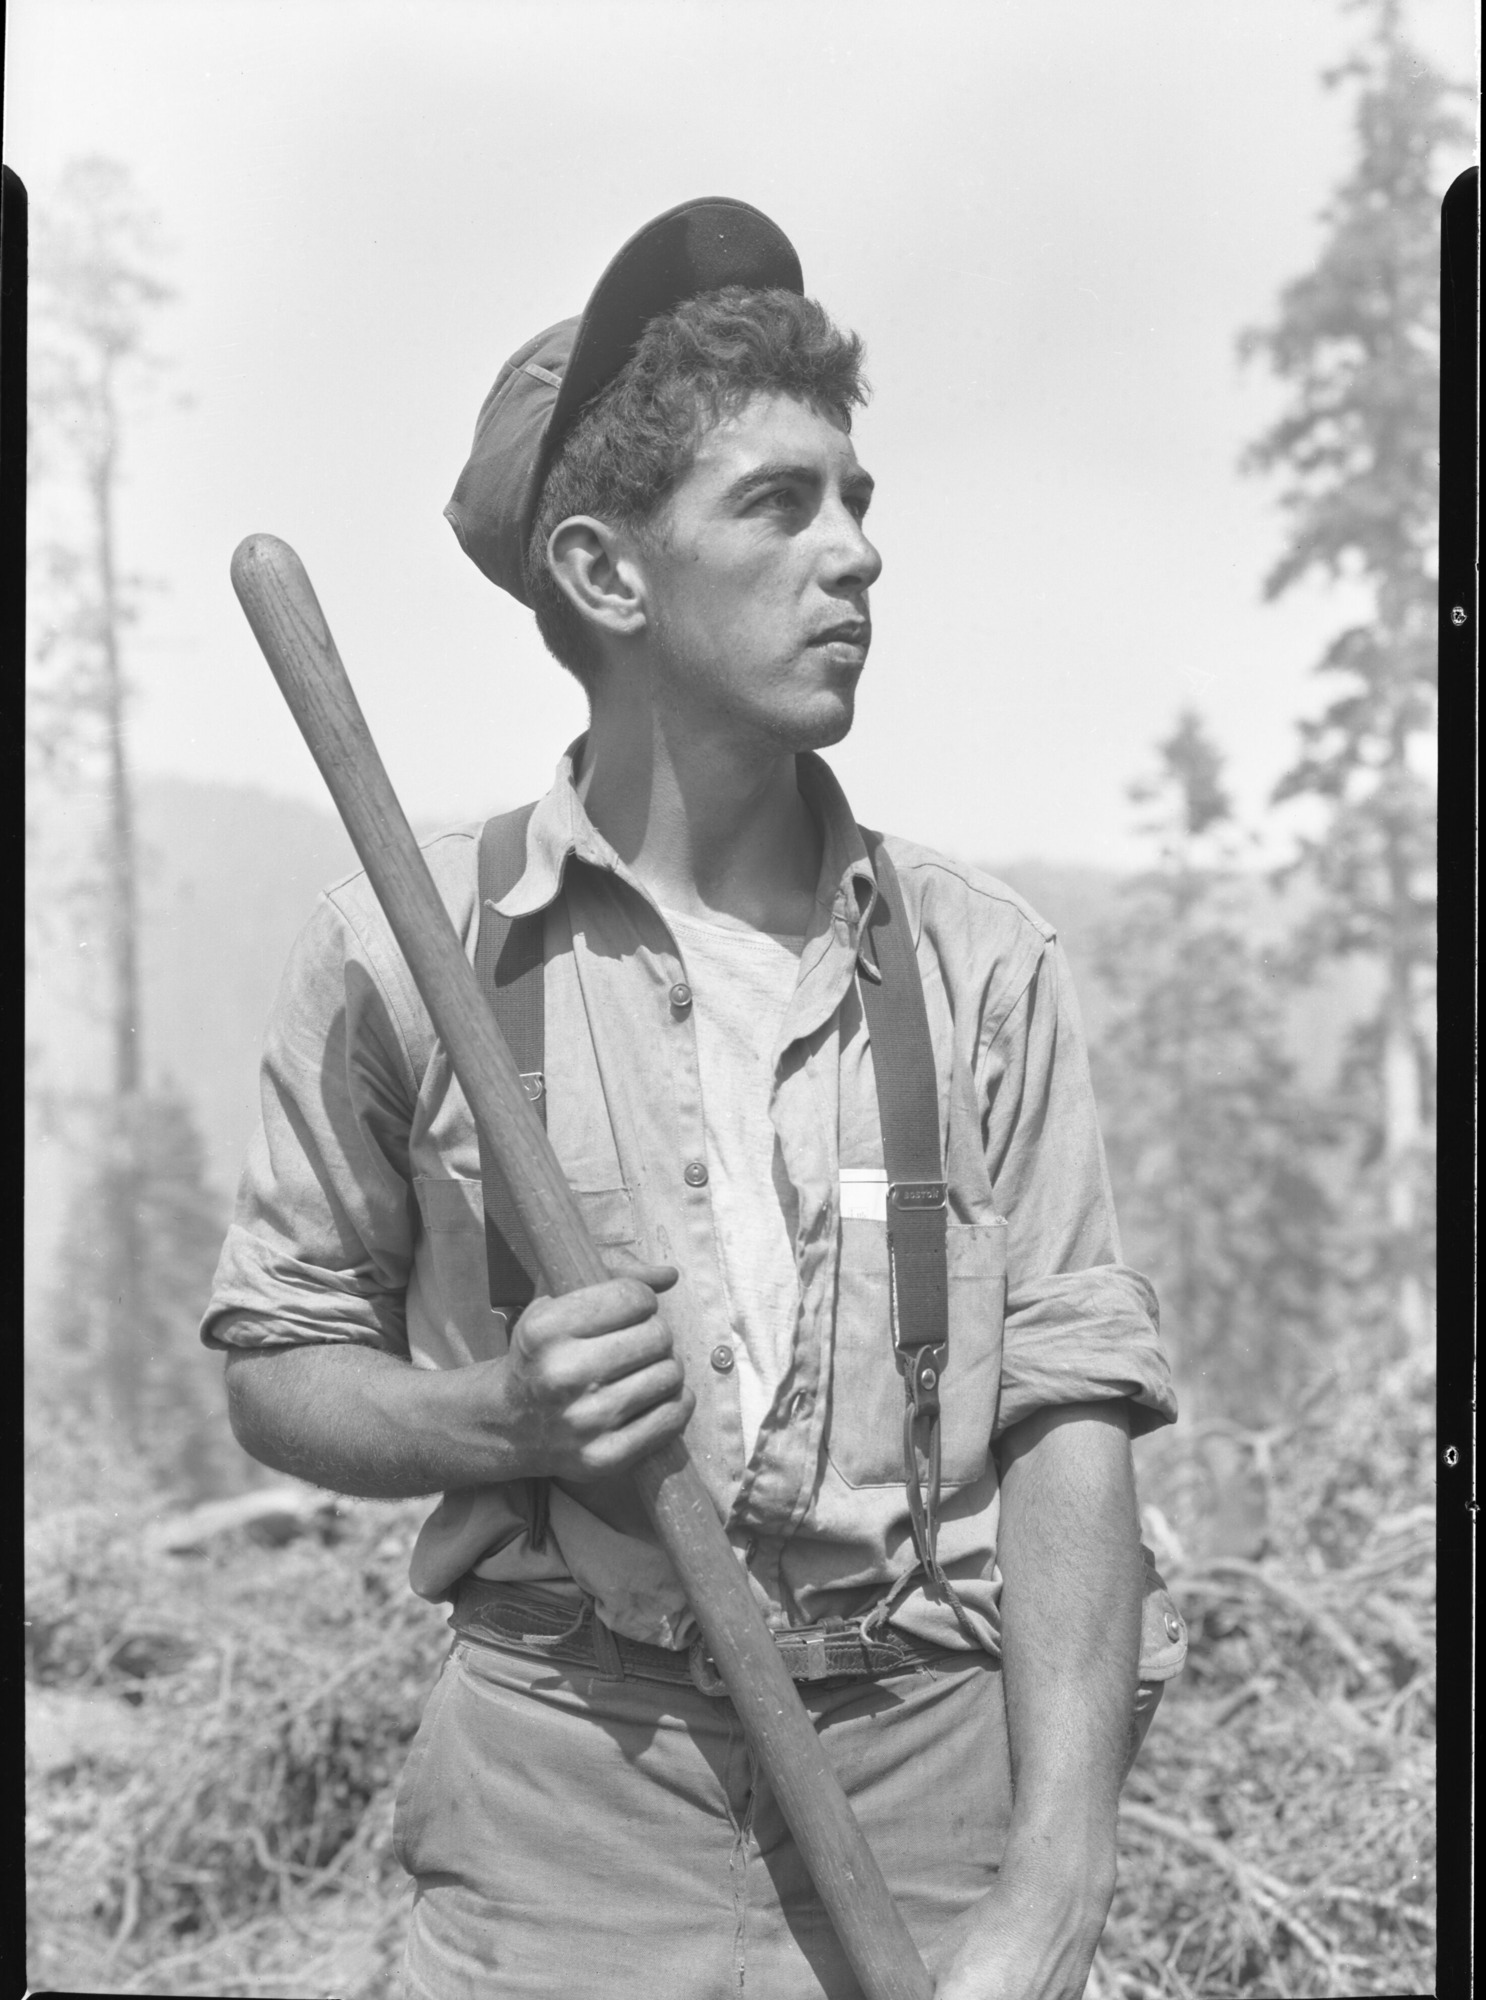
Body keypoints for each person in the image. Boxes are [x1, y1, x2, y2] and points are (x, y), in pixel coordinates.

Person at [205, 197, 1185, 2000]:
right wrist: (494, 1418)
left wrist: (1051, 1886)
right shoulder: (405, 954)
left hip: (921, 1791)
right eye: (777, 503)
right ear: (604, 576)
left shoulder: (981, 965)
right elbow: (278, 1362)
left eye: (858, 501)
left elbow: (1070, 1421)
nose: (855, 555)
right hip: (557, 1808)